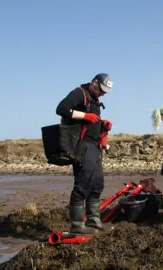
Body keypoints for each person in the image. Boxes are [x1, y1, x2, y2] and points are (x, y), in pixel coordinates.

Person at [55, 73, 114, 234]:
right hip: (81, 145)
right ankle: (77, 225)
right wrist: (85, 115)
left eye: (104, 92)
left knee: (97, 183)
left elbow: (93, 122)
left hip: (94, 146)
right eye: (101, 90)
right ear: (94, 82)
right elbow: (61, 109)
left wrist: (103, 124)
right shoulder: (79, 93)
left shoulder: (95, 100)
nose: (102, 94)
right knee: (83, 183)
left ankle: (94, 221)